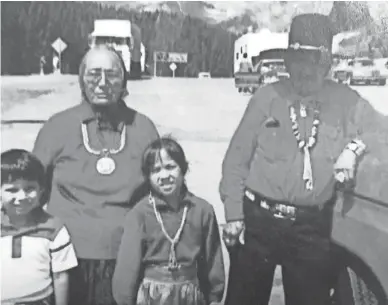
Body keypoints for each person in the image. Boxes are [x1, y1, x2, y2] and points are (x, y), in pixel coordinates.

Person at [220, 13, 387, 305]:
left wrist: (353, 150)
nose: (304, 70)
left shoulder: (346, 100)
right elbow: (236, 160)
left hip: (312, 228)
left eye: (313, 61)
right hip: (257, 221)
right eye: (297, 61)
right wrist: (234, 214)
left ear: (325, 65)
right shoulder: (266, 97)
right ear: (287, 63)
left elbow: (382, 130)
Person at [32, 45, 160, 305]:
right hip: (66, 259)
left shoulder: (143, 127)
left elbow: (159, 192)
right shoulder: (58, 126)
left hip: (127, 255)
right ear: (81, 79)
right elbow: (32, 188)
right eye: (93, 74)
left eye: (112, 74)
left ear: (124, 80)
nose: (102, 83)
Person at [112, 137, 225, 305]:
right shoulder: (139, 214)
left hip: (191, 294)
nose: (164, 176)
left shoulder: (202, 210)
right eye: (156, 170)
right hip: (152, 295)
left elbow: (212, 260)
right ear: (148, 176)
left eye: (170, 167)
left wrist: (214, 298)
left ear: (183, 169)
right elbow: (127, 268)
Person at [1, 149, 78, 305]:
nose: (21, 197)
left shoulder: (53, 228)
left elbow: (61, 276)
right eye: (12, 190)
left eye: (29, 189)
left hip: (38, 300)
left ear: (41, 191)